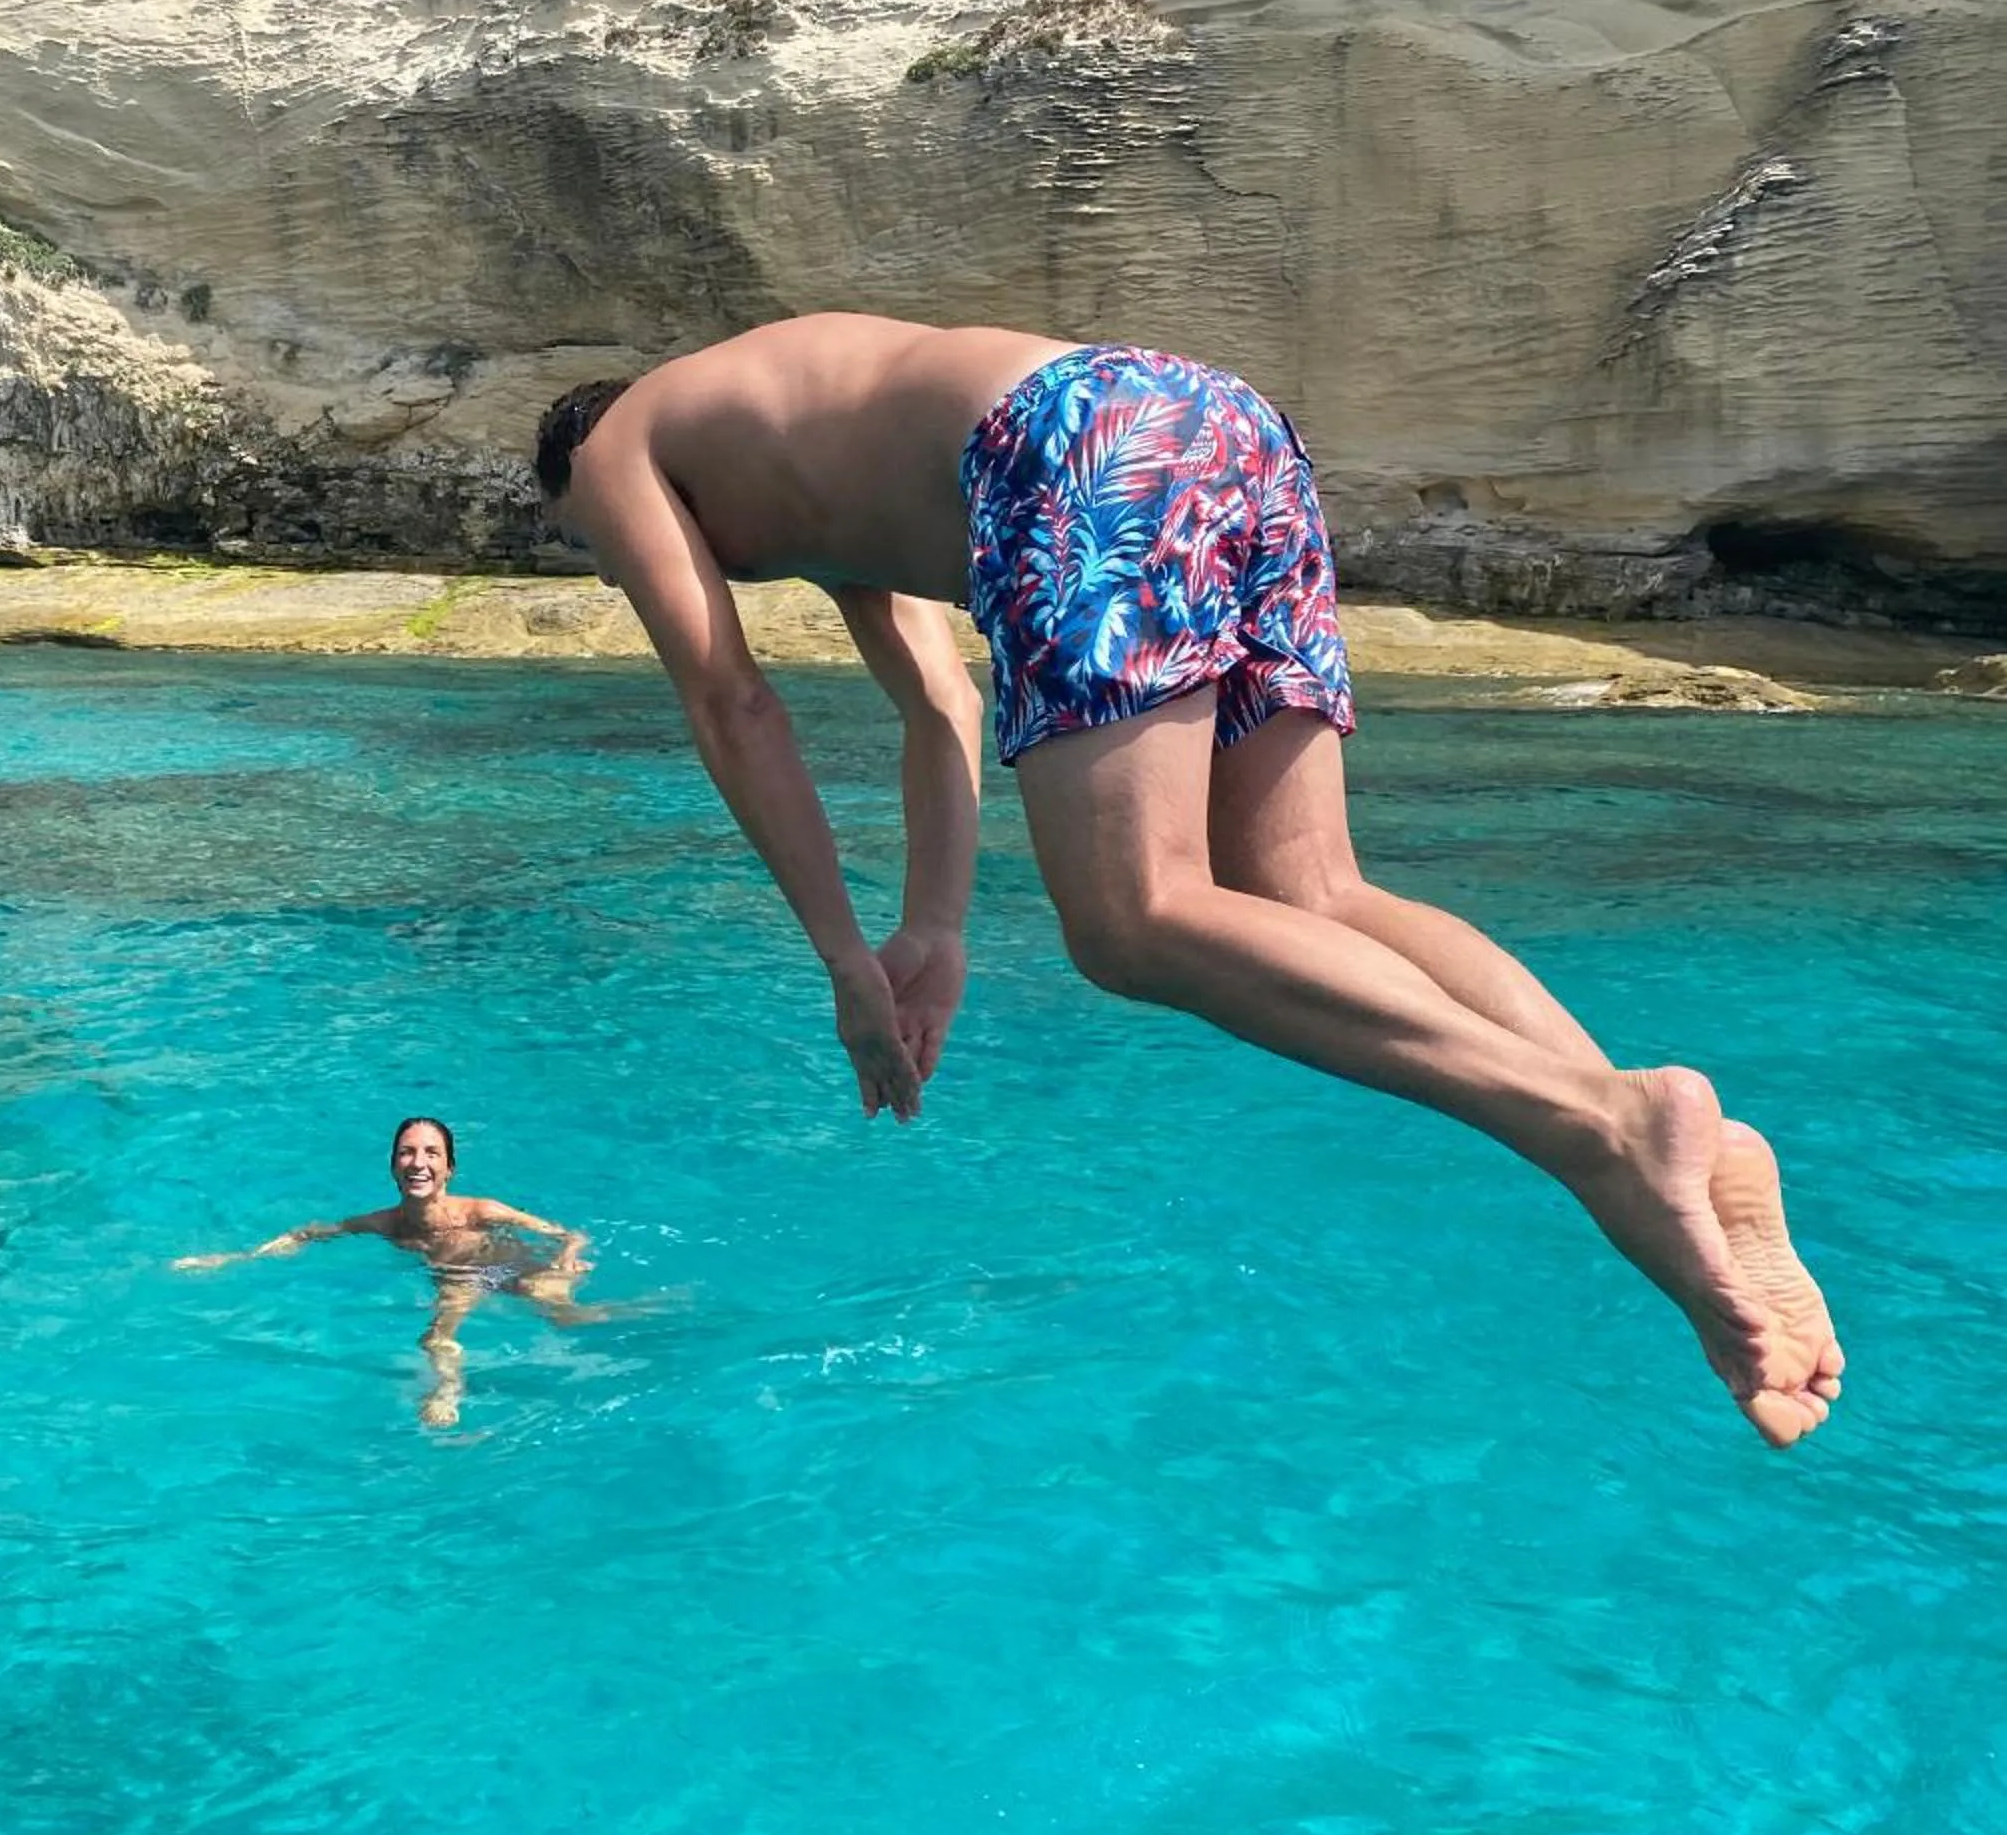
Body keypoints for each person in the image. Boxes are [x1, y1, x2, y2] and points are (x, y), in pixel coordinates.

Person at [532, 313, 1842, 1447]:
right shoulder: (798, 427)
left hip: (1074, 443)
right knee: (1309, 889)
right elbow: (937, 701)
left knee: (1134, 917)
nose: (609, 563)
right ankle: (1674, 1135)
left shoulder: (615, 446)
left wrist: (837, 964)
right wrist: (928, 927)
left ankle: (1596, 1133)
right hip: (1219, 425)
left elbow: (732, 704)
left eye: (591, 545)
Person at [175, 1117, 601, 1427]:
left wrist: (568, 1254)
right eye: (407, 1152)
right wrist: (235, 1258)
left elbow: (569, 1233)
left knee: (565, 1317)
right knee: (436, 1337)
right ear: (393, 1166)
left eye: (432, 1153)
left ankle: (659, 1310)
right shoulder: (386, 1223)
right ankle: (448, 1392)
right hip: (458, 1280)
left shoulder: (481, 1210)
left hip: (512, 1264)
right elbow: (309, 1234)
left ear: (449, 1169)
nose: (419, 1162)